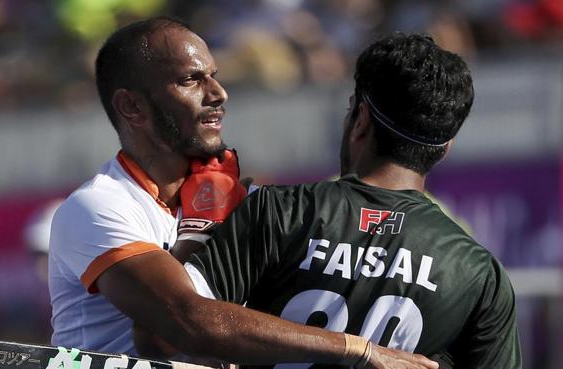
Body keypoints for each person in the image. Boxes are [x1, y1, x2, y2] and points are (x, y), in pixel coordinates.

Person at [48, 16, 437, 369]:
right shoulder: (97, 206)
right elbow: (179, 325)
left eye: (214, 76)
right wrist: (359, 350)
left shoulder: (244, 203)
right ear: (131, 106)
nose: (218, 93)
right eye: (190, 80)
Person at [176, 33, 522, 369]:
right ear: (445, 149)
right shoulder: (479, 272)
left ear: (360, 120)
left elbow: (177, 325)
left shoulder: (278, 211)